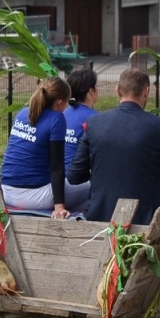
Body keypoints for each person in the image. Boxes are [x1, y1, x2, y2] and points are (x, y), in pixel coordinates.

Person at [67, 67, 160, 225]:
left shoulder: (94, 124)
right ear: (146, 91)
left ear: (117, 90)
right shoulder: (159, 127)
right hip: (147, 220)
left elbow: (74, 176)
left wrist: (100, 171)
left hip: (101, 216)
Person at [0, 76, 73, 219]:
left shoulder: (22, 113)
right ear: (60, 103)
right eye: (67, 103)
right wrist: (59, 206)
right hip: (34, 196)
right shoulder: (57, 119)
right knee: (91, 185)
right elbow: (57, 165)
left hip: (7, 192)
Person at [61, 66, 99, 211]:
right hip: (74, 180)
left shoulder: (63, 113)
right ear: (91, 91)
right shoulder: (95, 119)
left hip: (55, 181)